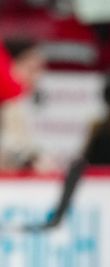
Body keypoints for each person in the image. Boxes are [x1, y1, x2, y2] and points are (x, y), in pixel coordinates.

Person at [0, 37, 55, 171]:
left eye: (40, 70)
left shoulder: (18, 105)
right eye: (31, 69)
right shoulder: (10, 105)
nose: (37, 77)